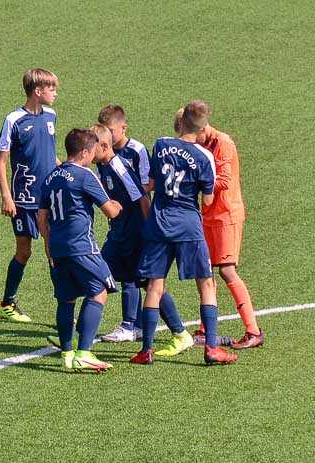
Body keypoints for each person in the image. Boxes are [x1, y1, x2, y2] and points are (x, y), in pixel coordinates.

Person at [130, 101, 238, 365]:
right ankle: (211, 348)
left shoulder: (161, 144)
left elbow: (152, 183)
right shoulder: (205, 157)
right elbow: (209, 200)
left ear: (182, 122)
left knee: (155, 286)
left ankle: (147, 351)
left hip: (159, 223)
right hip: (188, 226)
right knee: (206, 284)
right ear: (203, 126)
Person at [89, 125, 194, 356]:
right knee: (97, 275)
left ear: (104, 147)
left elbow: (143, 199)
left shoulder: (120, 169)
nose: (87, 151)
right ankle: (80, 337)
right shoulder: (103, 166)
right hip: (119, 237)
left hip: (135, 237)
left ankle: (180, 334)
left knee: (147, 284)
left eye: (91, 147)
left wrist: (149, 234)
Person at [174, 106, 264, 349]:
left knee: (226, 270)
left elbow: (224, 180)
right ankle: (205, 330)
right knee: (205, 271)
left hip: (226, 216)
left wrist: (193, 184)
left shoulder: (223, 143)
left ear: (200, 128)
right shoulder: (197, 145)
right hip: (206, 217)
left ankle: (253, 331)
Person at [38, 128, 122, 371]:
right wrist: (116, 206)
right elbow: (110, 211)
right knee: (100, 291)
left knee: (66, 299)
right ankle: (84, 351)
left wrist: (47, 243)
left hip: (58, 247)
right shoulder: (85, 175)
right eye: (93, 150)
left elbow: (41, 216)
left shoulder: (51, 177)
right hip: (83, 247)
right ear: (85, 151)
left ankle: (66, 353)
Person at [0, 68, 59, 322]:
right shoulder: (14, 120)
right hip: (22, 200)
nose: (55, 93)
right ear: (37, 91)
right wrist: (6, 196)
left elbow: (50, 154)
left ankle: (63, 310)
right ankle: (7, 303)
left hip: (48, 198)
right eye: (51, 88)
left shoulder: (51, 116)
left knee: (53, 250)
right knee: (24, 251)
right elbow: (1, 161)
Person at [97, 105, 151, 190]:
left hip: (135, 202)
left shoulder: (138, 150)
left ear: (124, 128)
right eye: (104, 131)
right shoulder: (101, 150)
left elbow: (148, 184)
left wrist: (129, 197)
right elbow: (100, 183)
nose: (107, 135)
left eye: (110, 131)